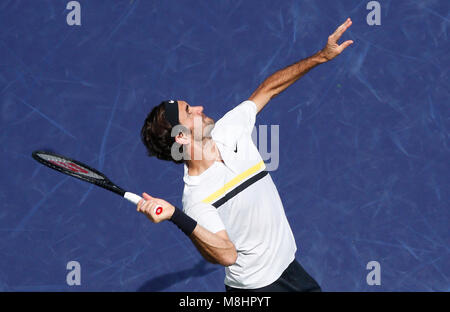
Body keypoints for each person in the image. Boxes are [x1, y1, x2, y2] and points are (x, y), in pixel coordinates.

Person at [138, 18, 353, 292]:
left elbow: (268, 89)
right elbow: (227, 254)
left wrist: (321, 56)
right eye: (190, 111)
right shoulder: (196, 198)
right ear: (181, 136)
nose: (200, 108)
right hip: (256, 289)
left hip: (289, 267)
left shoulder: (229, 130)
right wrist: (175, 216)